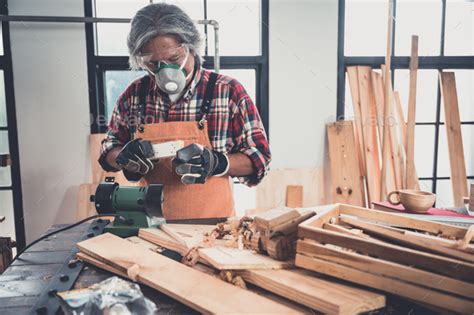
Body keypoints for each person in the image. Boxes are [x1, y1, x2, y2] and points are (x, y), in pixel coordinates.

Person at [98, 3, 271, 222]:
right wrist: (124, 157)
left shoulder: (227, 92)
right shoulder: (133, 95)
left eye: (174, 59)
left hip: (213, 228)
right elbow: (108, 148)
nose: (166, 72)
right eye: (153, 64)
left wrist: (218, 163)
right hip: (150, 228)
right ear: (140, 60)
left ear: (191, 46)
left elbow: (260, 159)